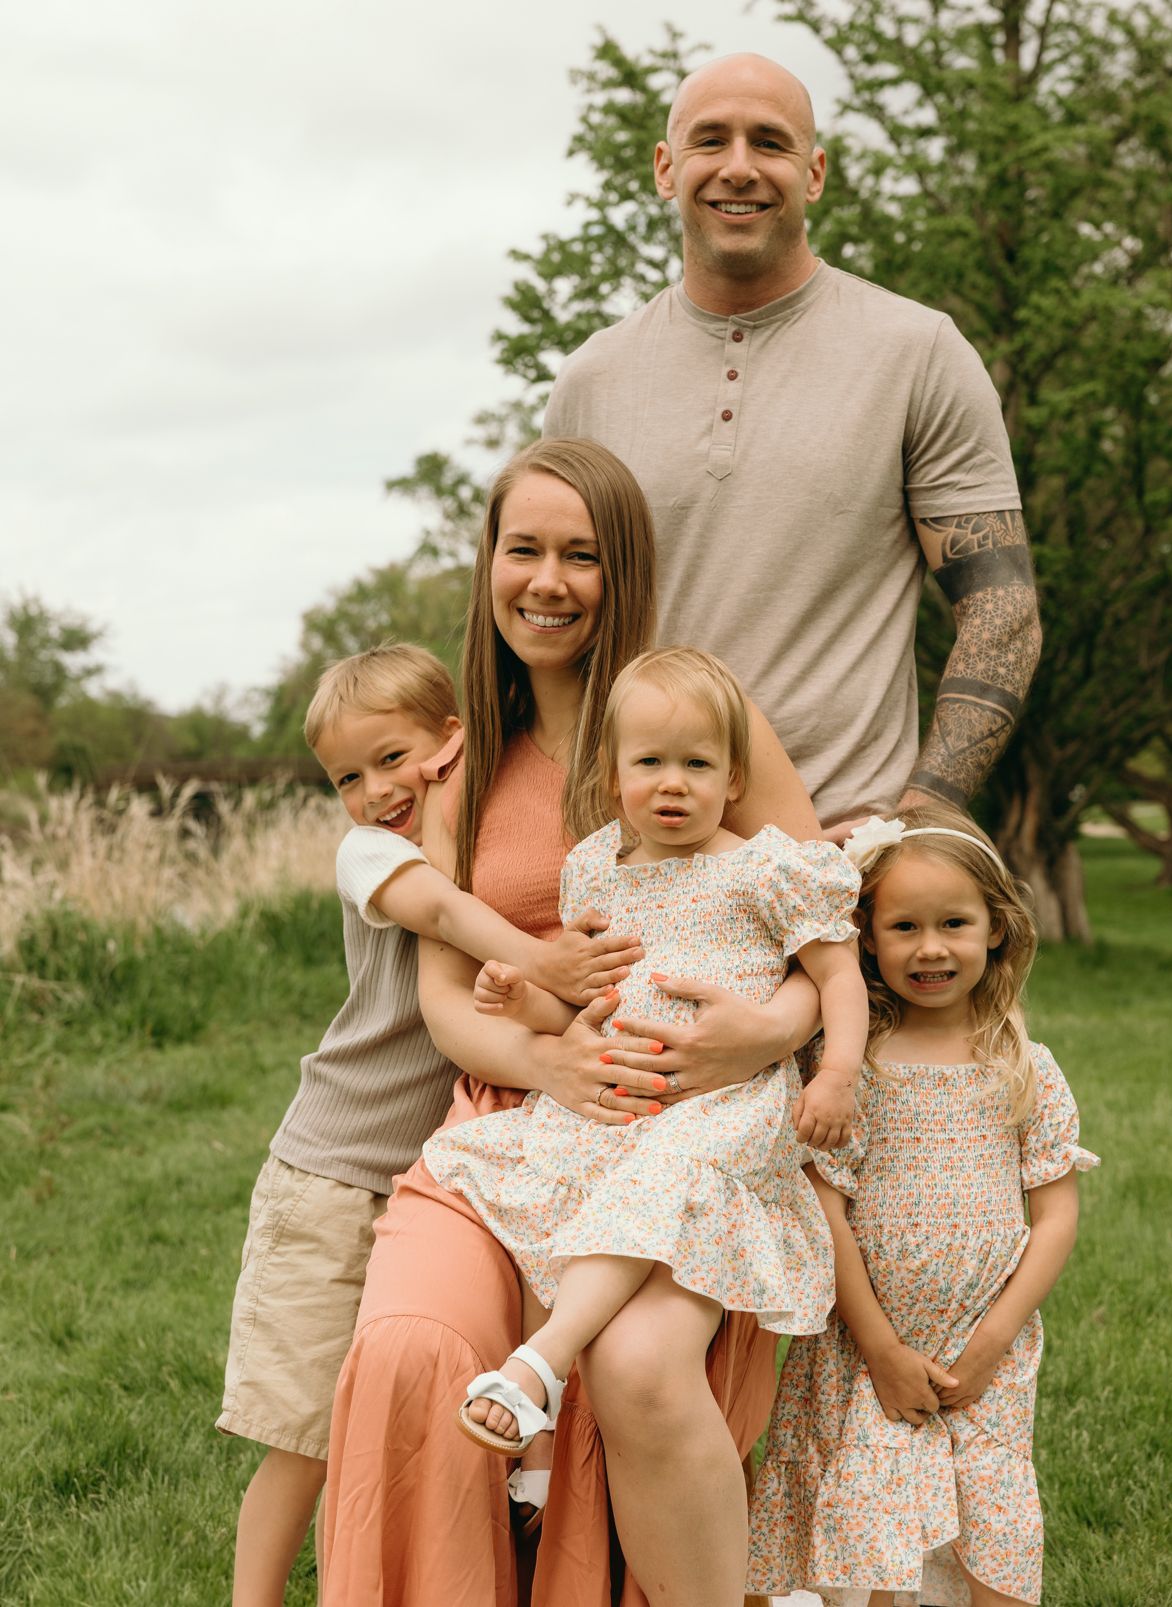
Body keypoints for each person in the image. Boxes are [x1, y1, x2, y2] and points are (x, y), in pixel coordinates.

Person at [320, 440, 827, 1607]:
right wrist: (551, 1056)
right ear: (488, 563)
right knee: (407, 1345)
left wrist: (771, 1028)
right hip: (509, 1118)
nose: (548, 579)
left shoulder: (696, 716)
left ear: (624, 570)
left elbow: (818, 924)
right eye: (524, 549)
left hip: (686, 1122)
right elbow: (447, 1000)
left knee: (634, 1363)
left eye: (582, 555)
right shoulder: (459, 761)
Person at [421, 647, 865, 1607]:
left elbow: (839, 979)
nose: (673, 785)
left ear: (734, 779)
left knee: (659, 1173)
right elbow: (578, 1006)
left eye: (698, 766)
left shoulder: (768, 868)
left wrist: (832, 1070)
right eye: (650, 764)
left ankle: (540, 1364)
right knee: (551, 1182)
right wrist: (522, 988)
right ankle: (538, 1443)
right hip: (623, 1109)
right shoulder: (595, 873)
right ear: (611, 777)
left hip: (721, 1110)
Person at [543, 52, 1042, 831]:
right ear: (663, 168)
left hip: (847, 860)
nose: (738, 168)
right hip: (647, 871)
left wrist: (923, 813)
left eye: (769, 143)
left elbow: (1001, 609)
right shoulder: (591, 380)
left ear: (812, 174)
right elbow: (553, 628)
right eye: (710, 141)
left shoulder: (918, 352)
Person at [219, 642, 620, 1607]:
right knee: (307, 1429)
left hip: (425, 1174)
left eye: (392, 759)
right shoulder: (375, 855)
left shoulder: (471, 822)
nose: (371, 791)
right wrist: (544, 961)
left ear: (452, 743)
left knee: (388, 1401)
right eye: (346, 777)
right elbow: (440, 908)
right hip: (331, 1168)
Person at [747, 803, 1098, 1606]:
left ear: (995, 929)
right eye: (903, 925)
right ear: (866, 936)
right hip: (865, 1348)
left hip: (987, 1350)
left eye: (953, 923)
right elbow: (824, 1210)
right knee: (873, 1544)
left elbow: (1055, 1217)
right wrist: (877, 1345)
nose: (930, 947)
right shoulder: (850, 1066)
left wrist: (992, 1341)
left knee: (994, 1525)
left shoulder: (1025, 1066)